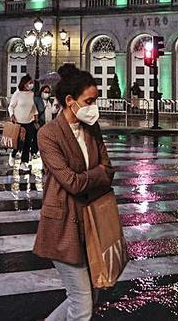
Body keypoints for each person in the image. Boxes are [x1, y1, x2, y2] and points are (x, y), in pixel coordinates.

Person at [34, 66, 115, 321]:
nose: (94, 107)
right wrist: (95, 174)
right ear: (70, 101)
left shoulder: (92, 127)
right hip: (63, 224)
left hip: (92, 222)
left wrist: (92, 176)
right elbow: (71, 182)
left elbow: (109, 170)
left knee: (90, 294)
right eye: (89, 101)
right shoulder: (48, 134)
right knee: (82, 304)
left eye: (95, 100)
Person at [8, 75, 40, 169]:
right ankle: (13, 154)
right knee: (17, 142)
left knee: (28, 142)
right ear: (24, 83)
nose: (31, 85)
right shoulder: (17, 94)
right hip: (18, 121)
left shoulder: (31, 94)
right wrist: (12, 115)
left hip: (29, 121)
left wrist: (36, 115)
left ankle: (24, 162)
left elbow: (33, 106)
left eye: (31, 83)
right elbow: (11, 106)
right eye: (29, 83)